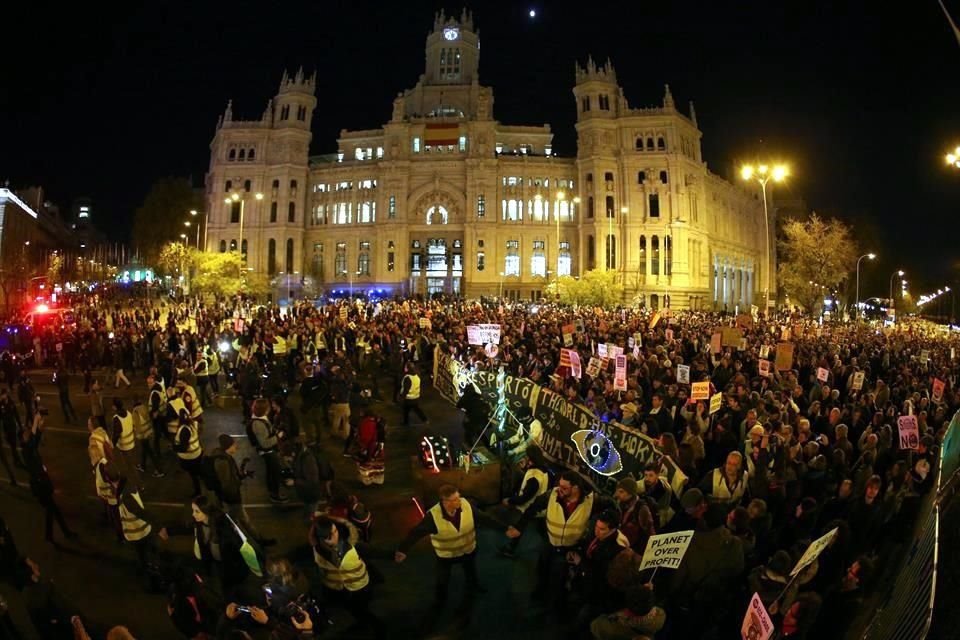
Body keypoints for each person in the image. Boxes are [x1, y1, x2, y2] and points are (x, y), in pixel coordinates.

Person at [396, 484, 504, 629]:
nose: (458, 501)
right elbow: (416, 533)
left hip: (467, 550)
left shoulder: (466, 505)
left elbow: (484, 518)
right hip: (446, 555)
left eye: (458, 497)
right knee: (442, 580)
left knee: (471, 571)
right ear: (445, 502)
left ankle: (474, 587)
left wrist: (505, 529)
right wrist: (403, 549)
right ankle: (440, 601)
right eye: (454, 499)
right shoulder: (433, 517)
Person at [509, 471, 603, 611]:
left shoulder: (591, 501)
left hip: (569, 548)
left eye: (564, 488)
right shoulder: (551, 495)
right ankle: (540, 594)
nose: (560, 489)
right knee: (542, 570)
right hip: (550, 543)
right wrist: (519, 527)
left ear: (575, 488)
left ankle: (556, 607)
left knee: (561, 579)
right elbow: (533, 509)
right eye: (559, 485)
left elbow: (611, 507)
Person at [166, 495, 264, 599]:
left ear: (207, 511)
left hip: (231, 568)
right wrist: (168, 531)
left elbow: (241, 547)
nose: (193, 514)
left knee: (230, 591)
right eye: (193, 510)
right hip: (215, 565)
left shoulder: (225, 528)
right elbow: (186, 527)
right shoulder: (199, 523)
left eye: (197, 511)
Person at [311, 515, 384, 637]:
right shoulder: (324, 548)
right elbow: (351, 529)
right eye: (333, 533)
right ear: (325, 538)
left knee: (360, 610)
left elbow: (372, 550)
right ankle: (368, 626)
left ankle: (376, 628)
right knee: (356, 610)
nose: (336, 534)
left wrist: (322, 520)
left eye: (336, 530)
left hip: (355, 587)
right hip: (345, 588)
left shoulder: (324, 548)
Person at [570, 509, 631, 634]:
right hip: (586, 584)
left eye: (602, 529)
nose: (596, 531)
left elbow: (599, 574)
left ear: (613, 529)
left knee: (584, 618)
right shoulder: (599, 535)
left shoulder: (615, 549)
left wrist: (580, 562)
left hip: (597, 593)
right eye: (596, 527)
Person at [496, 446, 550, 558]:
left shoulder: (535, 477)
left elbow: (525, 497)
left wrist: (510, 501)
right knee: (540, 530)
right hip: (537, 508)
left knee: (519, 527)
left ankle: (511, 549)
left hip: (528, 508)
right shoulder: (543, 470)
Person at [248, 398, 288, 503]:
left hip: (268, 452)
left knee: (271, 472)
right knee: (274, 473)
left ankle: (273, 492)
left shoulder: (260, 418)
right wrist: (278, 436)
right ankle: (275, 495)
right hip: (268, 452)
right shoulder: (258, 424)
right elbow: (265, 443)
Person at [131, 396, 164, 478]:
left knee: (150, 453)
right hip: (148, 432)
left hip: (143, 435)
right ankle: (142, 466)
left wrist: (137, 436)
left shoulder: (135, 412)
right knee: (145, 450)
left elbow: (138, 426)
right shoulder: (143, 407)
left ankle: (159, 470)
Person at [174, 412, 205, 498]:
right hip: (197, 453)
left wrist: (174, 447)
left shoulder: (184, 430)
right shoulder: (193, 424)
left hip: (190, 457)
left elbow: (183, 447)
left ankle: (198, 492)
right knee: (198, 472)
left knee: (194, 475)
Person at [400, 362, 428, 427]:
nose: (404, 368)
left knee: (406, 410)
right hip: (416, 396)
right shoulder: (417, 375)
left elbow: (406, 389)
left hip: (409, 398)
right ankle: (425, 419)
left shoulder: (408, 377)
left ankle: (406, 422)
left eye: (405, 367)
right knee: (417, 409)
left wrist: (402, 396)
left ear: (408, 368)